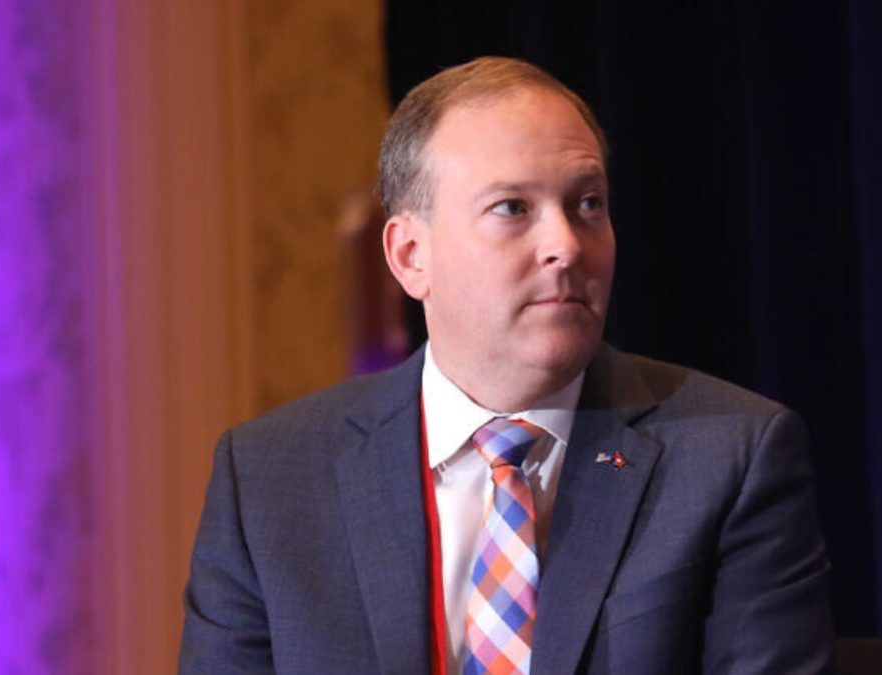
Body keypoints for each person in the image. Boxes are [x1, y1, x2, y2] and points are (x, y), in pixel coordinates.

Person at [180, 56, 833, 674]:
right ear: (410, 255)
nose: (566, 245)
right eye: (513, 208)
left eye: (588, 204)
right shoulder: (268, 481)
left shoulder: (731, 456)